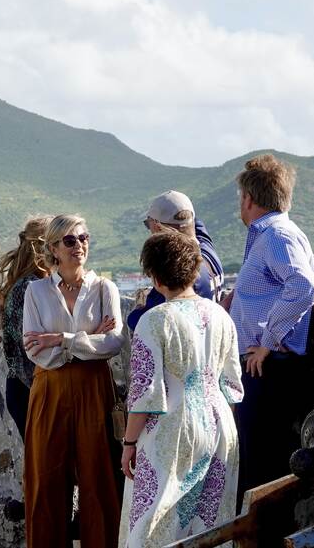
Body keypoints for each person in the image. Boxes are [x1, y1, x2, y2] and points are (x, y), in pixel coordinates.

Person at [119, 231, 243, 547]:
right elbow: (230, 386)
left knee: (152, 529)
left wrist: (129, 442)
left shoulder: (153, 320)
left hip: (170, 432)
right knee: (211, 528)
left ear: (156, 277)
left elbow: (146, 393)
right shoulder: (221, 316)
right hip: (219, 428)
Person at [21, 214, 125, 548]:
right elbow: (34, 348)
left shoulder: (104, 288)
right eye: (69, 240)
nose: (79, 245)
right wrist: (86, 339)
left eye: (84, 238)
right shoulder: (36, 291)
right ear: (53, 248)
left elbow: (114, 342)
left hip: (94, 387)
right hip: (49, 387)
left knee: (100, 479)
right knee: (46, 480)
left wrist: (63, 340)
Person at [225, 154, 314, 503]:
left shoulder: (277, 235)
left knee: (262, 466)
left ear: (248, 199)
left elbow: (303, 287)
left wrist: (267, 341)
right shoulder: (271, 235)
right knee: (257, 462)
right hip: (262, 363)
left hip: (267, 364)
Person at [0, 215, 52, 439]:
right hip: (30, 390)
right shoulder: (29, 288)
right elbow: (29, 349)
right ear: (44, 248)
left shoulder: (32, 285)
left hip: (27, 389)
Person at [127, 190, 224, 330]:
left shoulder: (180, 274)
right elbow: (192, 222)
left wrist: (137, 310)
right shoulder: (207, 249)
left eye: (148, 225)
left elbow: (138, 321)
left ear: (157, 226)